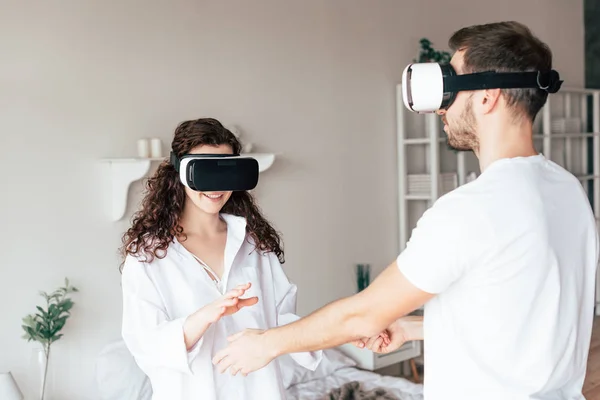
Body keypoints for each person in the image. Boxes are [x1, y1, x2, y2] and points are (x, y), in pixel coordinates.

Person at [213, 21, 600, 399]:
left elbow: (361, 315)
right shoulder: (567, 191)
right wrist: (410, 328)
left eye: (451, 86)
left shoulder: (472, 211)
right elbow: (516, 313)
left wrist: (267, 343)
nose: (440, 109)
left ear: (487, 97)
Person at [119, 118, 321, 400]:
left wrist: (349, 331)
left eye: (223, 171)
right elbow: (144, 343)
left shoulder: (253, 243)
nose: (216, 188)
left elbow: (284, 321)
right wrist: (203, 317)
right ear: (180, 173)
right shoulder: (147, 255)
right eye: (204, 172)